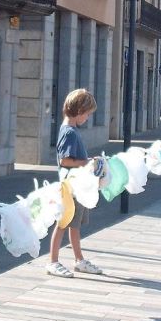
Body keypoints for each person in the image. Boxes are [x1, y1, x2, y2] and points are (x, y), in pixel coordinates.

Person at [46, 88, 102, 278]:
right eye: (87, 114)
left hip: (76, 186)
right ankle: (53, 261)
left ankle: (79, 259)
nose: (87, 118)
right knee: (63, 222)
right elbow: (65, 160)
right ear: (79, 111)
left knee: (74, 224)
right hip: (70, 187)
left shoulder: (70, 130)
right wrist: (86, 162)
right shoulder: (69, 132)